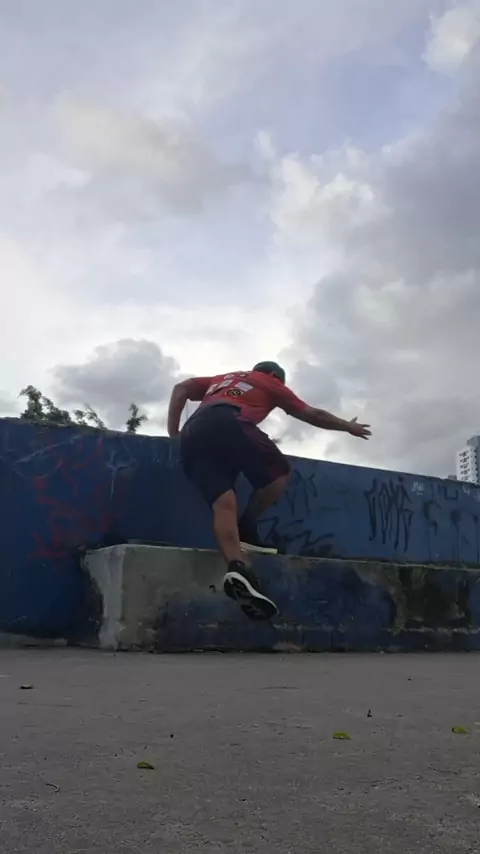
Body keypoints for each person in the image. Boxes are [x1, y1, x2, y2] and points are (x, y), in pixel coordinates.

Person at [167, 361, 371, 621]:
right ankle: (247, 528)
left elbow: (181, 388)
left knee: (223, 503)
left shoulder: (221, 378)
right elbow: (312, 414)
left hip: (193, 435)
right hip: (229, 422)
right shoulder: (270, 382)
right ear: (276, 376)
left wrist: (174, 433)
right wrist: (347, 426)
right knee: (278, 472)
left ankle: (237, 567)